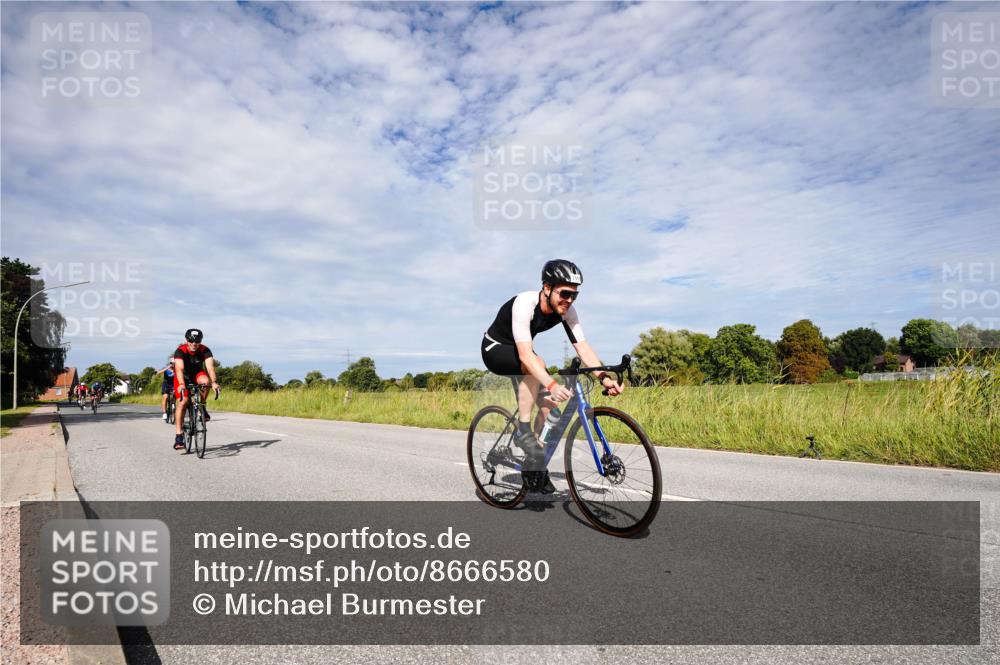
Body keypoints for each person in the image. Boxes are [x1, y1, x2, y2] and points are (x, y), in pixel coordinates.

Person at [481, 260, 623, 494]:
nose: (569, 300)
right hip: (495, 349)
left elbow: (583, 348)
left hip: (523, 352)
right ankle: (523, 430)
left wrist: (604, 378)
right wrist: (552, 384)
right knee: (537, 363)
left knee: (552, 412)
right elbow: (526, 356)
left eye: (574, 295)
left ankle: (534, 464)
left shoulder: (567, 311)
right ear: (547, 288)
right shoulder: (524, 304)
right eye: (565, 293)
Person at [171, 328, 220, 450]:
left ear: (200, 341)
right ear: (186, 340)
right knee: (183, 402)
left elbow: (210, 368)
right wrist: (181, 384)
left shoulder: (205, 350)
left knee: (206, 382)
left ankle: (201, 406)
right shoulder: (180, 351)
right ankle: (179, 436)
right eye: (191, 341)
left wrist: (214, 382)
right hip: (182, 377)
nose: (194, 344)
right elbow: (179, 369)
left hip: (197, 374)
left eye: (197, 342)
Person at [154, 356, 176, 420]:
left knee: (175, 395)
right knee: (165, 397)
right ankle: (164, 413)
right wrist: (167, 368)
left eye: (174, 363)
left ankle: (173, 404)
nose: (173, 365)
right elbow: (158, 373)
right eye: (172, 363)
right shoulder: (166, 368)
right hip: (166, 384)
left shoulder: (176, 369)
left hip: (173, 384)